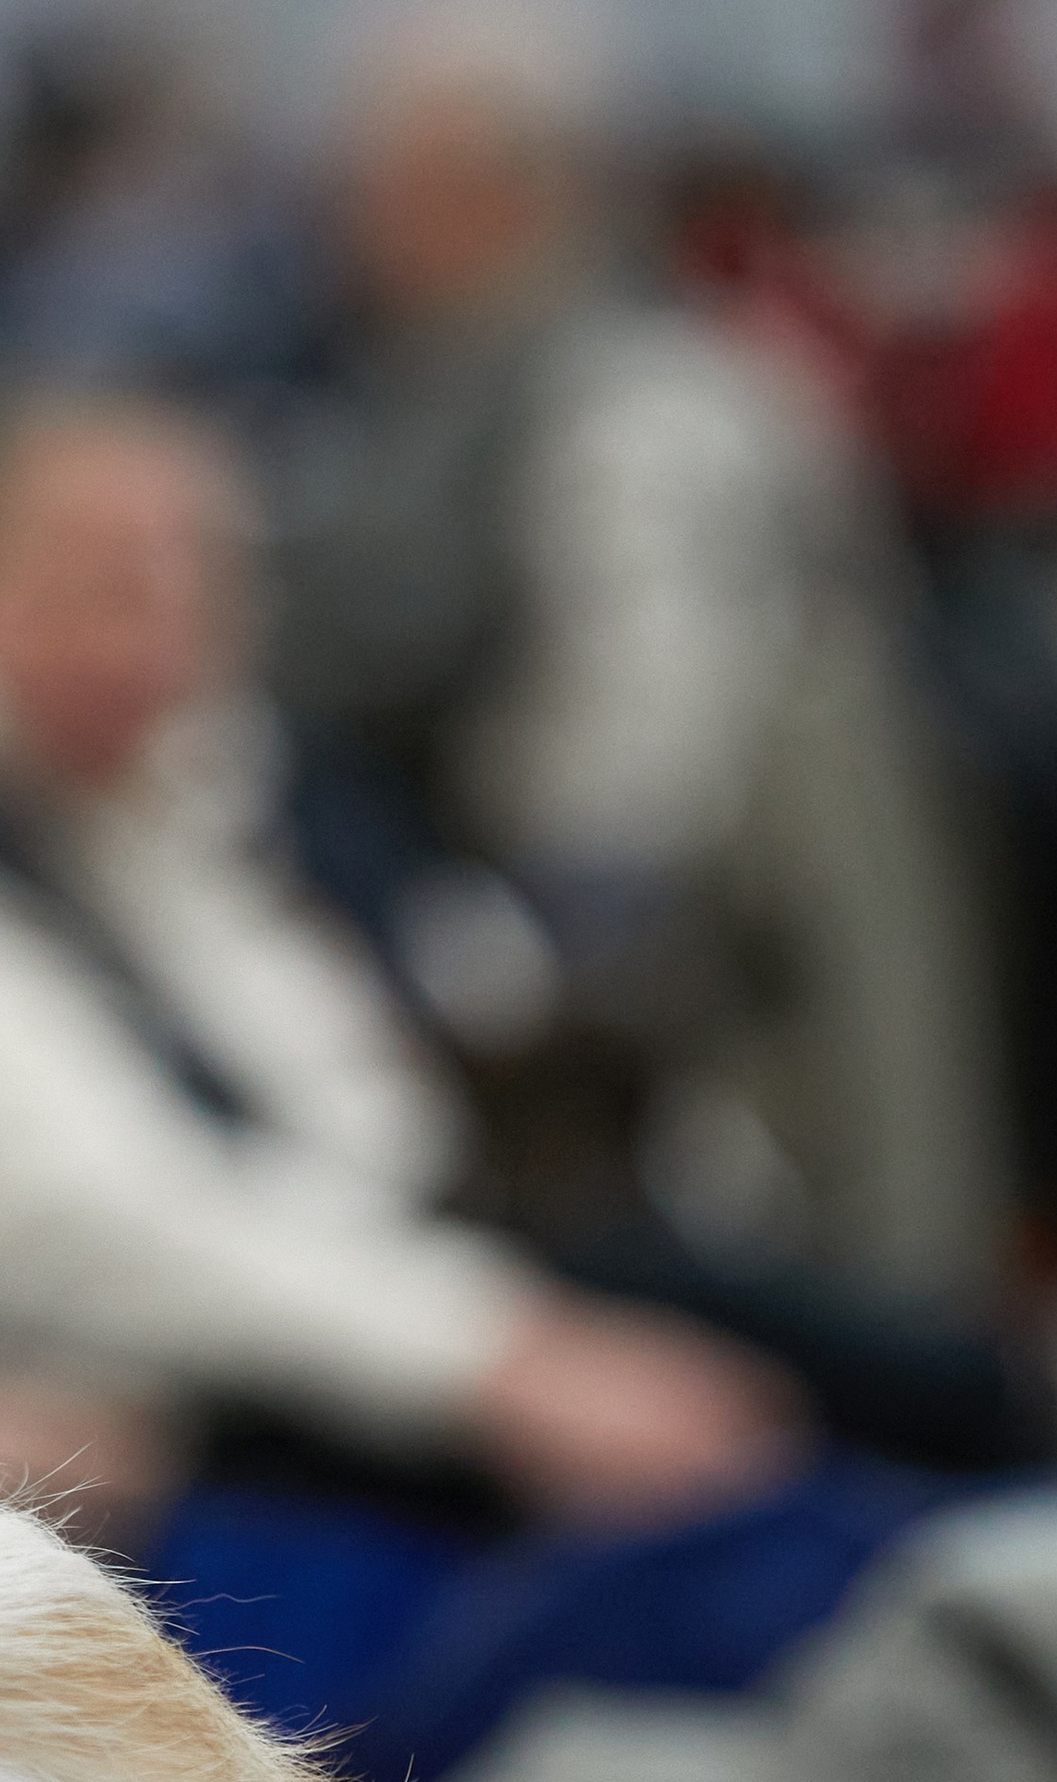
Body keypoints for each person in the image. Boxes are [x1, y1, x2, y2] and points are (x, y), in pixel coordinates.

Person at [0, 397, 800, 1538]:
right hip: (257, 1412)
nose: (158, 626)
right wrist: (501, 1360)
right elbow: (109, 1225)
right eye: (100, 582)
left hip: (496, 1277)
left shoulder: (271, 792)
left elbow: (497, 1014)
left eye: (199, 578)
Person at [264, 0, 1011, 1318]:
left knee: (847, 1291)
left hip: (729, 989)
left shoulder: (642, 399)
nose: (352, 220)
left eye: (383, 185)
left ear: (496, 189)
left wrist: (504, 957)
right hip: (660, 945)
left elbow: (635, 766)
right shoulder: (442, 381)